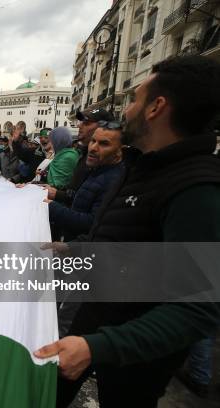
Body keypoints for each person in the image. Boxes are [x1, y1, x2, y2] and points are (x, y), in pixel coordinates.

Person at [35, 55, 220, 408]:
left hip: (134, 355)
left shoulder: (197, 188)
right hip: (93, 315)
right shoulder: (141, 166)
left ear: (156, 107)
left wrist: (98, 347)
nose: (127, 108)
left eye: (135, 98)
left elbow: (197, 309)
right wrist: (76, 249)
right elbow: (123, 237)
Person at [48, 123, 123, 241]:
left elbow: (92, 223)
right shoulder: (95, 170)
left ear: (120, 152)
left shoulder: (115, 180)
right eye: (93, 141)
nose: (93, 148)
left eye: (104, 144)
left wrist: (49, 206)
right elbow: (79, 199)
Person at [45, 108, 114, 205]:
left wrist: (56, 196)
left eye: (87, 123)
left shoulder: (104, 164)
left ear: (103, 129)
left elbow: (84, 204)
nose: (79, 125)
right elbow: (72, 190)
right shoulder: (83, 155)